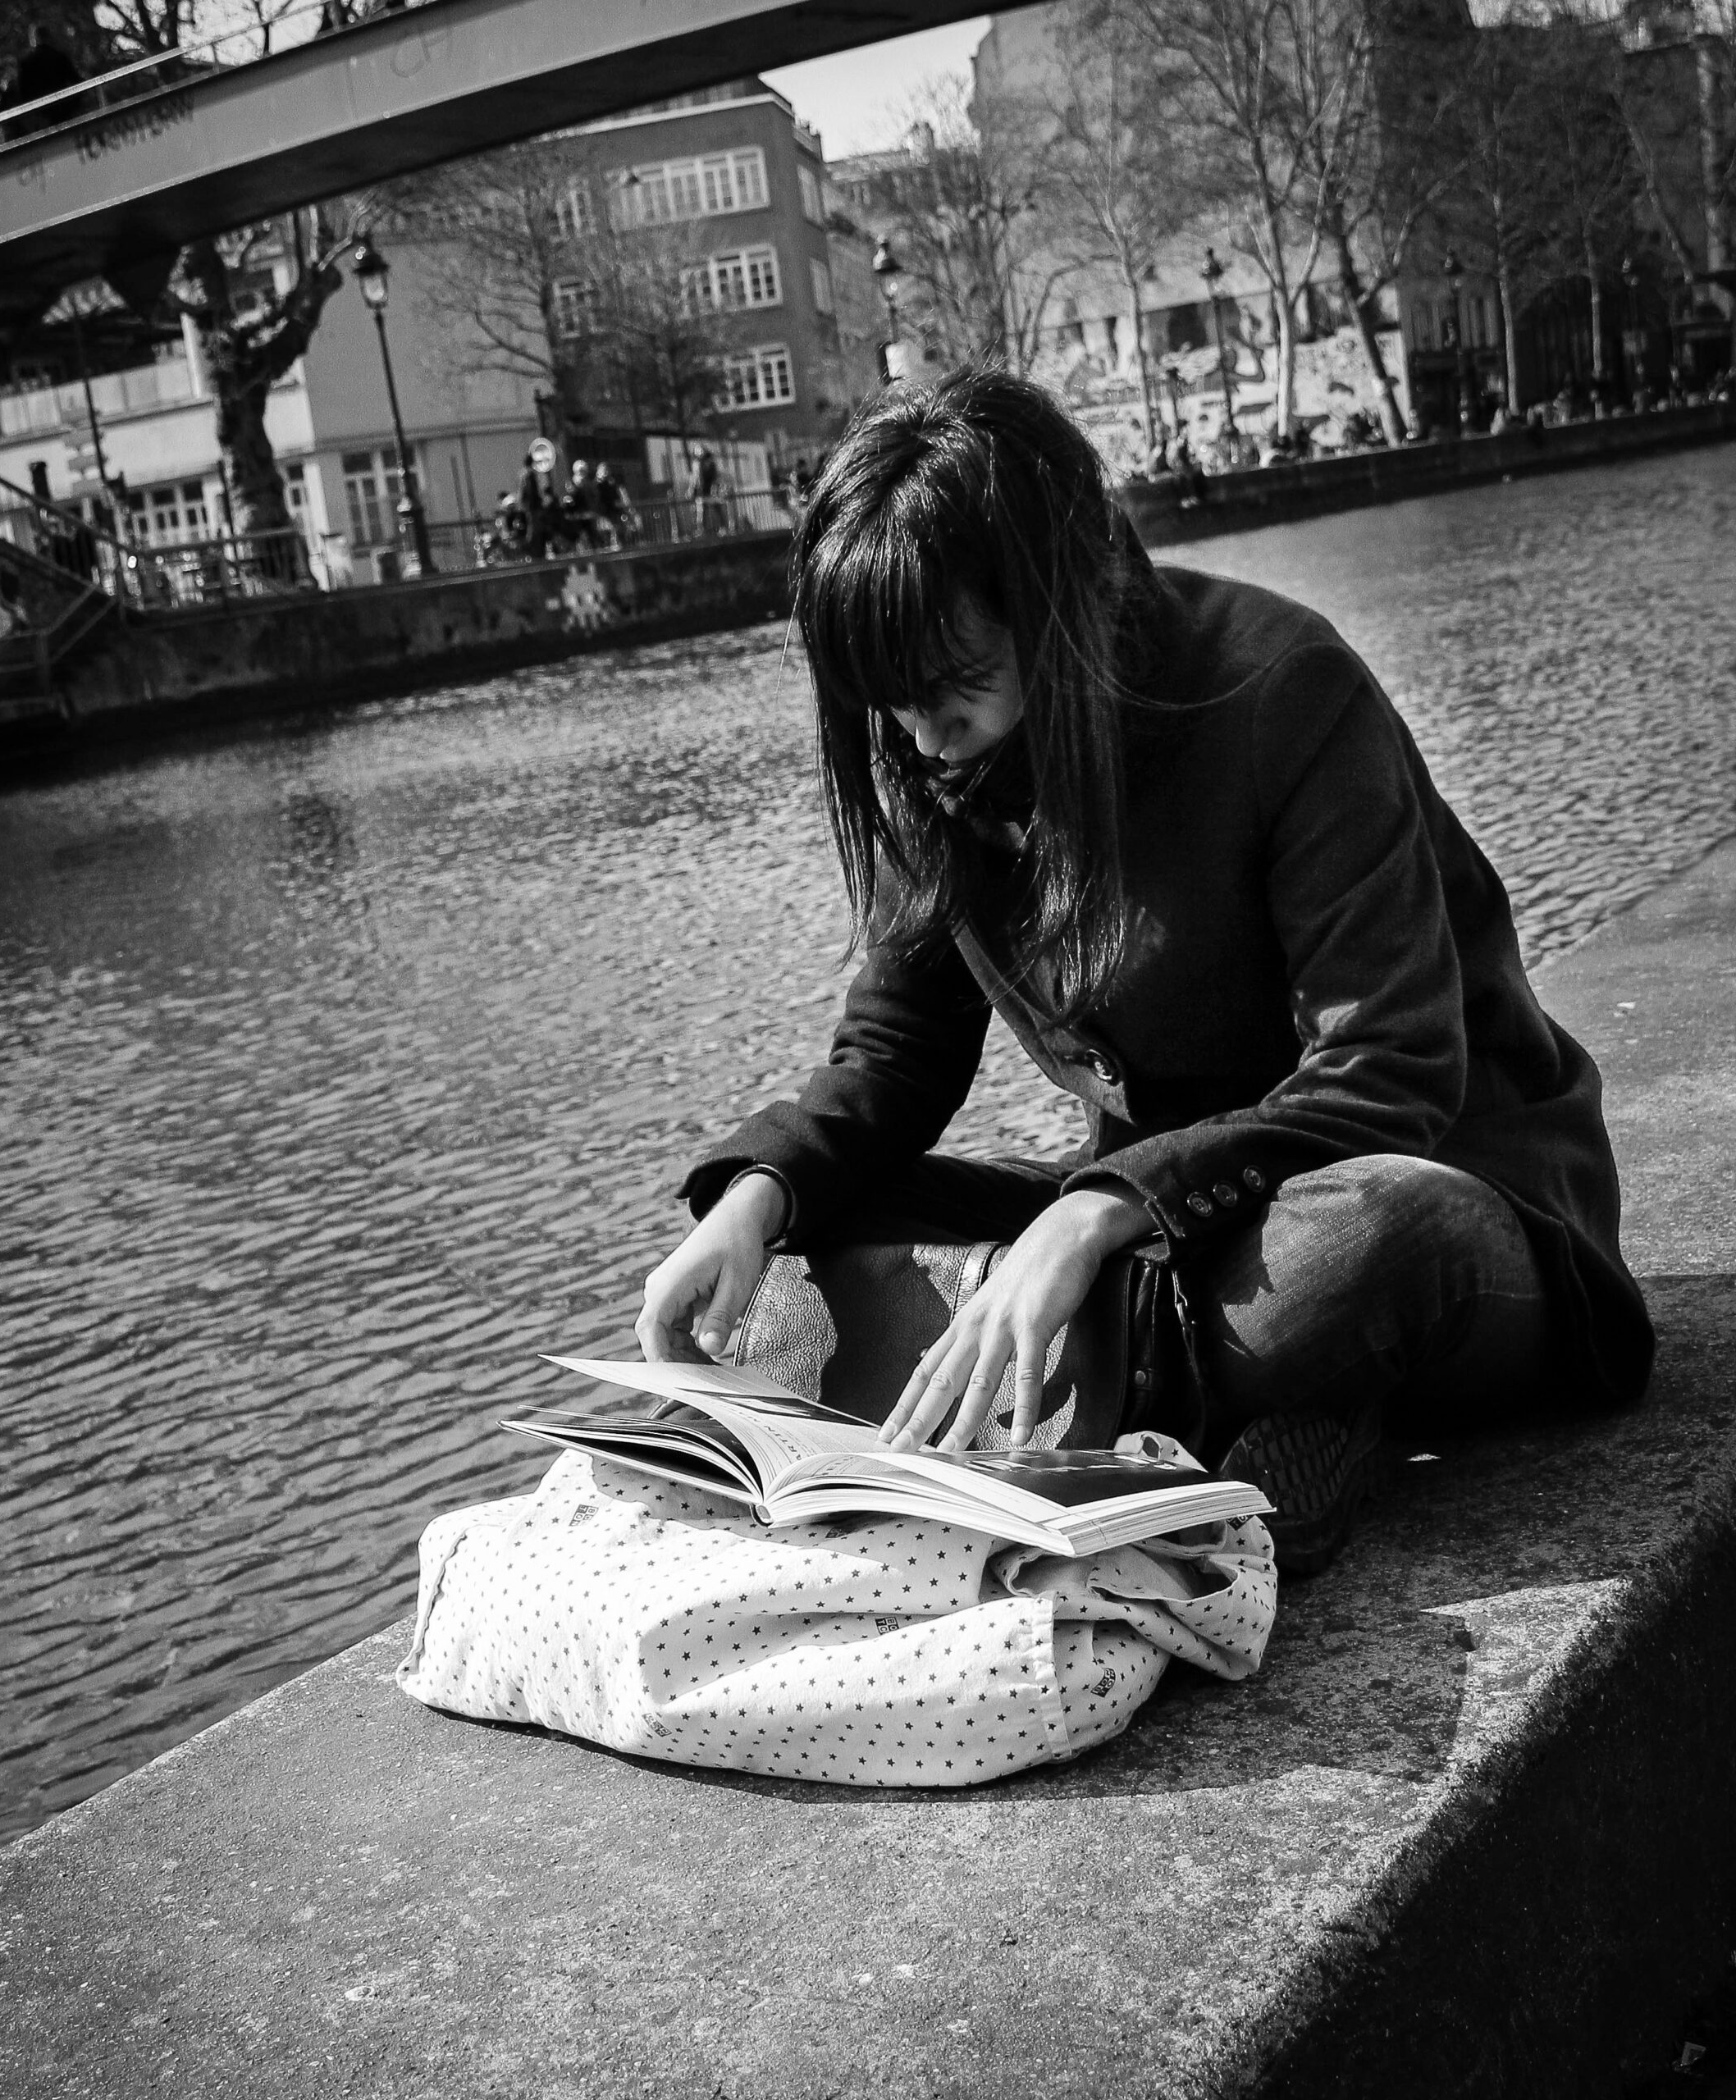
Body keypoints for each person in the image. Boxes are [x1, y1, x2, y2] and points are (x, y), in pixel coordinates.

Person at [636, 367, 1652, 1577]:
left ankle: (1023, 1380)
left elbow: (1394, 1072)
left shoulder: (1283, 688)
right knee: (814, 1222)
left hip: (1443, 1185)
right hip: (1170, 1231)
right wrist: (758, 1199)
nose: (919, 738)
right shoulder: (939, 766)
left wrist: (1100, 1211)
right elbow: (895, 1058)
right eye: (891, 705)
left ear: (1057, 605)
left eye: (956, 687)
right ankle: (1210, 1419)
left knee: (1374, 1239)